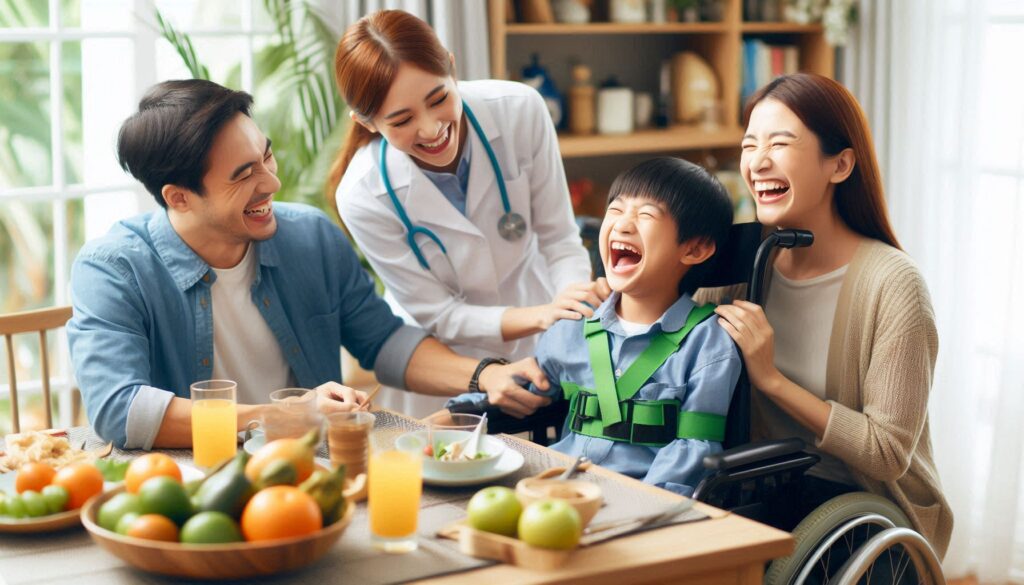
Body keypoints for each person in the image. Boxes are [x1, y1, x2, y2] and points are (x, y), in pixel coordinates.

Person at [67, 79, 550, 450]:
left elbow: (383, 341)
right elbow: (120, 409)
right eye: (244, 175)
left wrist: (483, 374)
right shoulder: (113, 269)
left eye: (266, 156)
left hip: (319, 473)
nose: (271, 183)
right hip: (196, 490)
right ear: (179, 197)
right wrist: (281, 416)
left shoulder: (310, 237)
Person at [703, 73, 952, 557]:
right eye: (750, 144)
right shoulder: (740, 258)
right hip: (760, 487)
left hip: (861, 512)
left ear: (839, 165)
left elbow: (886, 453)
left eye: (781, 142)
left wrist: (771, 379)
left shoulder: (893, 284)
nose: (758, 162)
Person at [328, 10, 609, 417]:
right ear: (367, 123)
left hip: (541, 333)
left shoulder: (519, 109)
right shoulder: (363, 193)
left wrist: (568, 311)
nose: (430, 129)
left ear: (452, 69)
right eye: (402, 120)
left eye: (438, 99)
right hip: (446, 360)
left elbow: (559, 239)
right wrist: (541, 315)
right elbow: (442, 314)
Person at [449, 158, 741, 495]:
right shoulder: (573, 325)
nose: (623, 225)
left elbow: (694, 449)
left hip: (638, 502)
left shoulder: (708, 343)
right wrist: (441, 421)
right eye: (616, 210)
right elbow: (519, 391)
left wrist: (640, 508)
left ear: (695, 249)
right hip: (552, 489)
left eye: (646, 215)